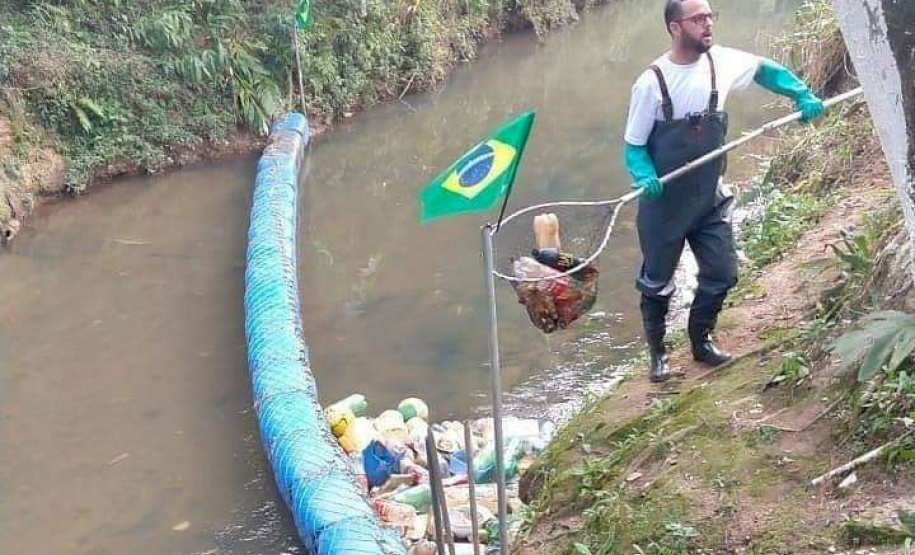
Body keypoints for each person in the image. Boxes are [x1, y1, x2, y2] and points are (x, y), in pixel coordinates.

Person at [623, 0, 826, 382]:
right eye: (698, 19)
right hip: (663, 203)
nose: (708, 24)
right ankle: (658, 353)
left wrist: (801, 94)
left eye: (710, 17)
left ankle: (701, 340)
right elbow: (633, 146)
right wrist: (643, 175)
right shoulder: (651, 82)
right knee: (657, 284)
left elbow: (766, 70)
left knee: (722, 273)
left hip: (709, 197)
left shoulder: (722, 62)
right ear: (674, 27)